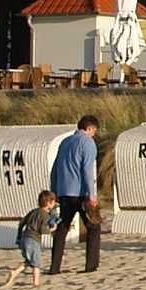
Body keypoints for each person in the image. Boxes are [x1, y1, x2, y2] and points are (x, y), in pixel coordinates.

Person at [48, 115, 101, 273]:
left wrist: (55, 190)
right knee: (94, 227)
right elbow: (87, 170)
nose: (94, 134)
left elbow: (55, 168)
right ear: (89, 128)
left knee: (62, 229)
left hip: (64, 191)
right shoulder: (88, 143)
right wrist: (92, 194)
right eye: (94, 131)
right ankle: (91, 266)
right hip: (81, 192)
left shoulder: (65, 142)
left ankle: (54, 267)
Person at [8, 189, 58, 288]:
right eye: (53, 202)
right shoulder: (45, 215)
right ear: (48, 203)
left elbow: (22, 222)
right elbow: (42, 229)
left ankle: (15, 272)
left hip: (24, 237)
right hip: (33, 240)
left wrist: (18, 237)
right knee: (36, 264)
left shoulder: (33, 212)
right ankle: (36, 283)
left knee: (29, 260)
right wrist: (52, 229)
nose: (54, 204)